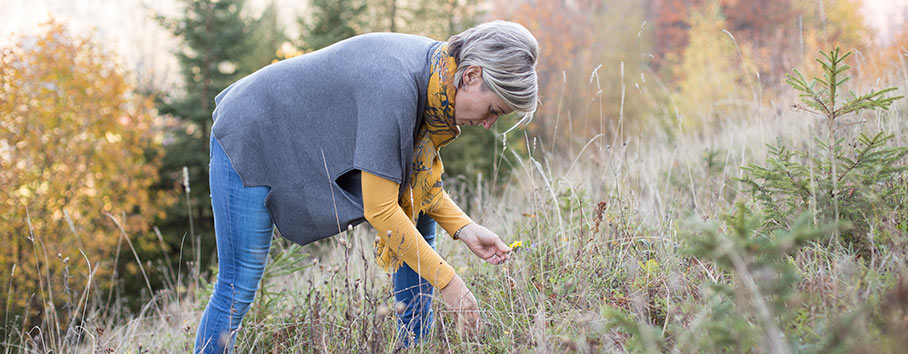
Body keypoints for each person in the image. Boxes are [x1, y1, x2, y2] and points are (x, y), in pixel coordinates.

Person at [194, 20, 539, 353]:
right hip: (250, 132)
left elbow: (416, 187)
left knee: (416, 212)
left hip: (302, 135)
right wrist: (451, 285)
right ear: (472, 74)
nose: (489, 123)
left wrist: (464, 228)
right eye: (493, 109)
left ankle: (414, 347)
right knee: (238, 284)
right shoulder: (395, 84)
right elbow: (382, 210)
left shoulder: (438, 78)